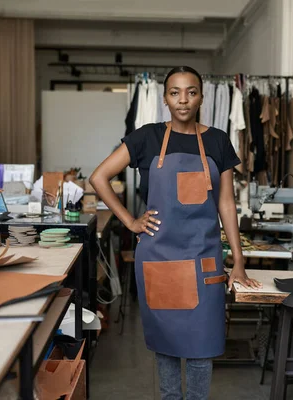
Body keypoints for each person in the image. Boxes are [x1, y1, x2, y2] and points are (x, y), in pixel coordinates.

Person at [90, 66, 261, 400]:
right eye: (175, 92)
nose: (183, 100)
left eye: (191, 92)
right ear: (165, 98)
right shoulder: (147, 137)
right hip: (160, 258)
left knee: (203, 347)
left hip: (204, 260)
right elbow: (99, 178)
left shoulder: (217, 140)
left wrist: (238, 261)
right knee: (166, 347)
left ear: (201, 96)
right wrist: (131, 221)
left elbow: (226, 203)